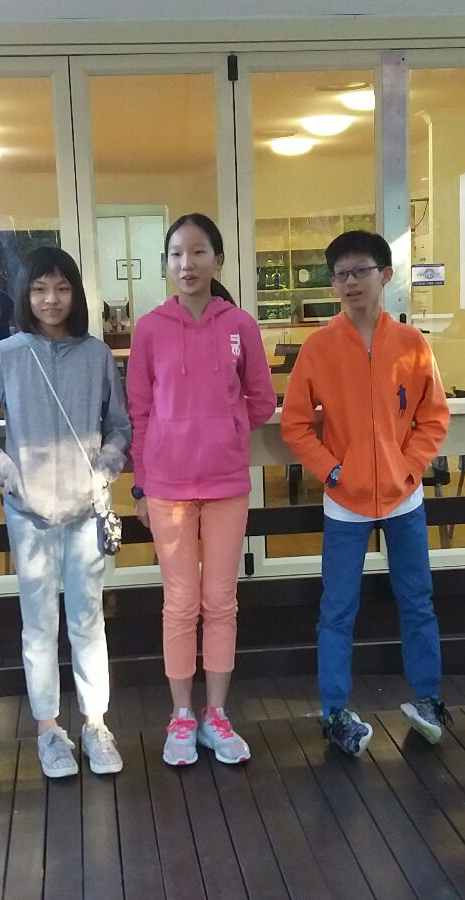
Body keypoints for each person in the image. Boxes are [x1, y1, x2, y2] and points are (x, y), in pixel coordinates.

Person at [280, 230, 451, 757]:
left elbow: (434, 417)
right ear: (333, 283)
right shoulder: (319, 347)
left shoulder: (413, 344)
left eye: (361, 271)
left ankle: (428, 700)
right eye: (341, 274)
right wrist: (332, 473)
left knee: (417, 601)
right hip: (344, 503)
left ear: (386, 275)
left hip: (404, 499)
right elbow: (295, 425)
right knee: (337, 609)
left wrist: (409, 468)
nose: (351, 282)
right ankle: (335, 712)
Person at [0, 246, 131, 778]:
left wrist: (103, 469)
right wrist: (9, 474)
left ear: (75, 293)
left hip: (86, 511)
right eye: (39, 289)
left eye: (61, 288)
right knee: (38, 626)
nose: (51, 299)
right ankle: (48, 731)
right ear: (25, 295)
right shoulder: (6, 354)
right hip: (28, 513)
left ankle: (96, 724)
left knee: (88, 621)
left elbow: (120, 427)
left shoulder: (97, 355)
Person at [126, 214, 276, 766]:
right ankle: (181, 715)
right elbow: (139, 412)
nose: (186, 264)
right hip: (166, 488)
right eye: (175, 254)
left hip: (226, 484)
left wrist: (226, 429)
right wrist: (141, 486)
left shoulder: (240, 325)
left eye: (197, 252)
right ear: (166, 263)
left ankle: (217, 714)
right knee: (180, 603)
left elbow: (262, 399)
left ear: (217, 259)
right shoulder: (149, 328)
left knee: (220, 601)